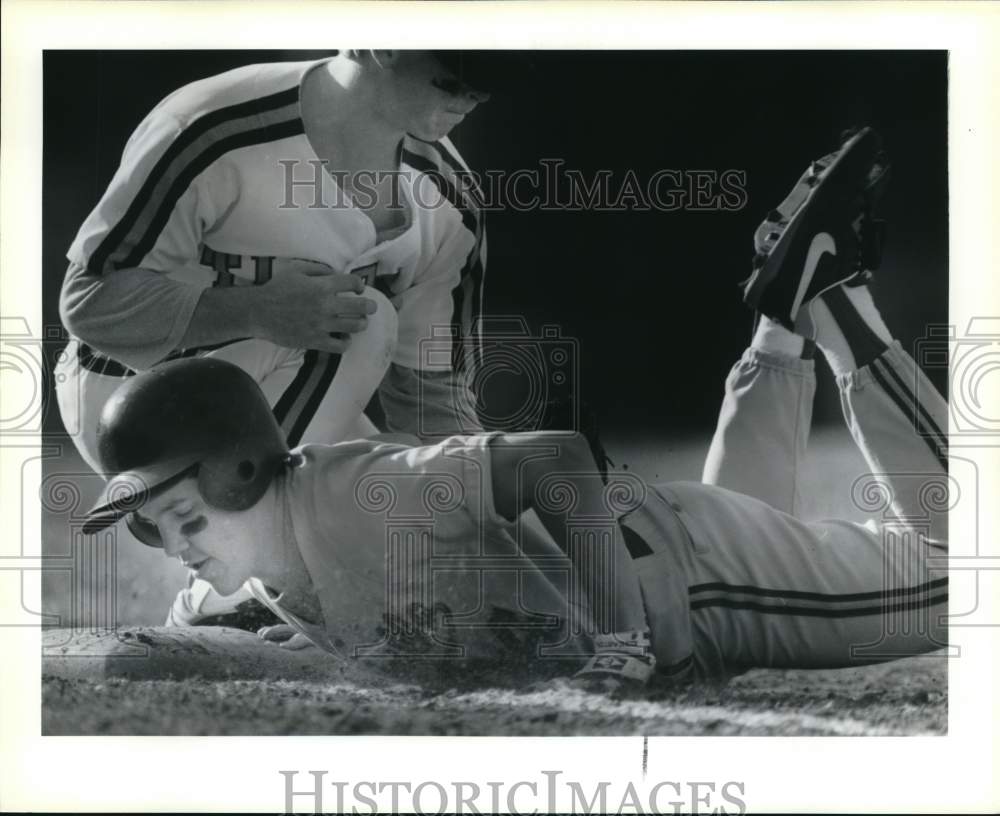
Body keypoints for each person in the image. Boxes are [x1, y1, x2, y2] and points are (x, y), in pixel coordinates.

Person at [80, 127, 948, 688]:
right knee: (746, 521)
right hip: (673, 548)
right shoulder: (251, 575)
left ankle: (834, 300)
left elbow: (555, 458)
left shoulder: (364, 493)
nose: (177, 548)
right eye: (155, 529)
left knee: (969, 583)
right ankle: (777, 327)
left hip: (694, 590)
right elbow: (145, 650)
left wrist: (622, 639)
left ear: (241, 474)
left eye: (183, 516)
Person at [55, 50, 525, 627]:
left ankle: (270, 583)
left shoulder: (450, 200)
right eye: (450, 78)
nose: (469, 99)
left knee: (395, 496)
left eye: (483, 87)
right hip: (127, 401)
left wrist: (500, 515)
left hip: (293, 394)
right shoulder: (214, 124)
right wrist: (253, 310)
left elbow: (430, 398)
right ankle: (238, 585)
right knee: (363, 316)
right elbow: (89, 302)